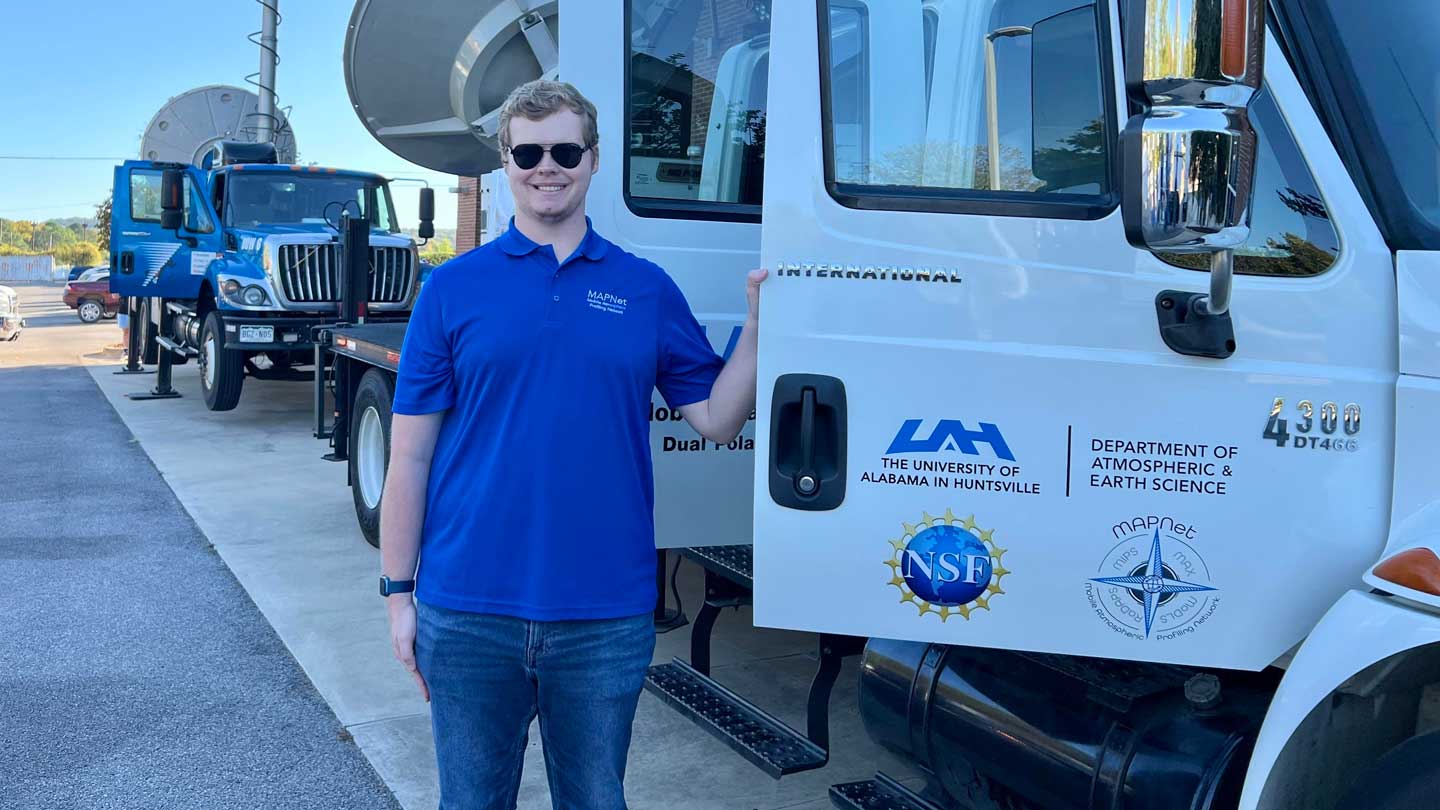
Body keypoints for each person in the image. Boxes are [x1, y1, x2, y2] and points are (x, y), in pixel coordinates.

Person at [379, 79, 766, 810]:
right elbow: (411, 458)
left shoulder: (645, 288)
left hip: (604, 615)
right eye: (528, 151)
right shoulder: (452, 290)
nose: (545, 166)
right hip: (467, 611)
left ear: (593, 159)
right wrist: (399, 594)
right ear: (505, 161)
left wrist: (758, 324)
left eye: (563, 149)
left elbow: (716, 418)